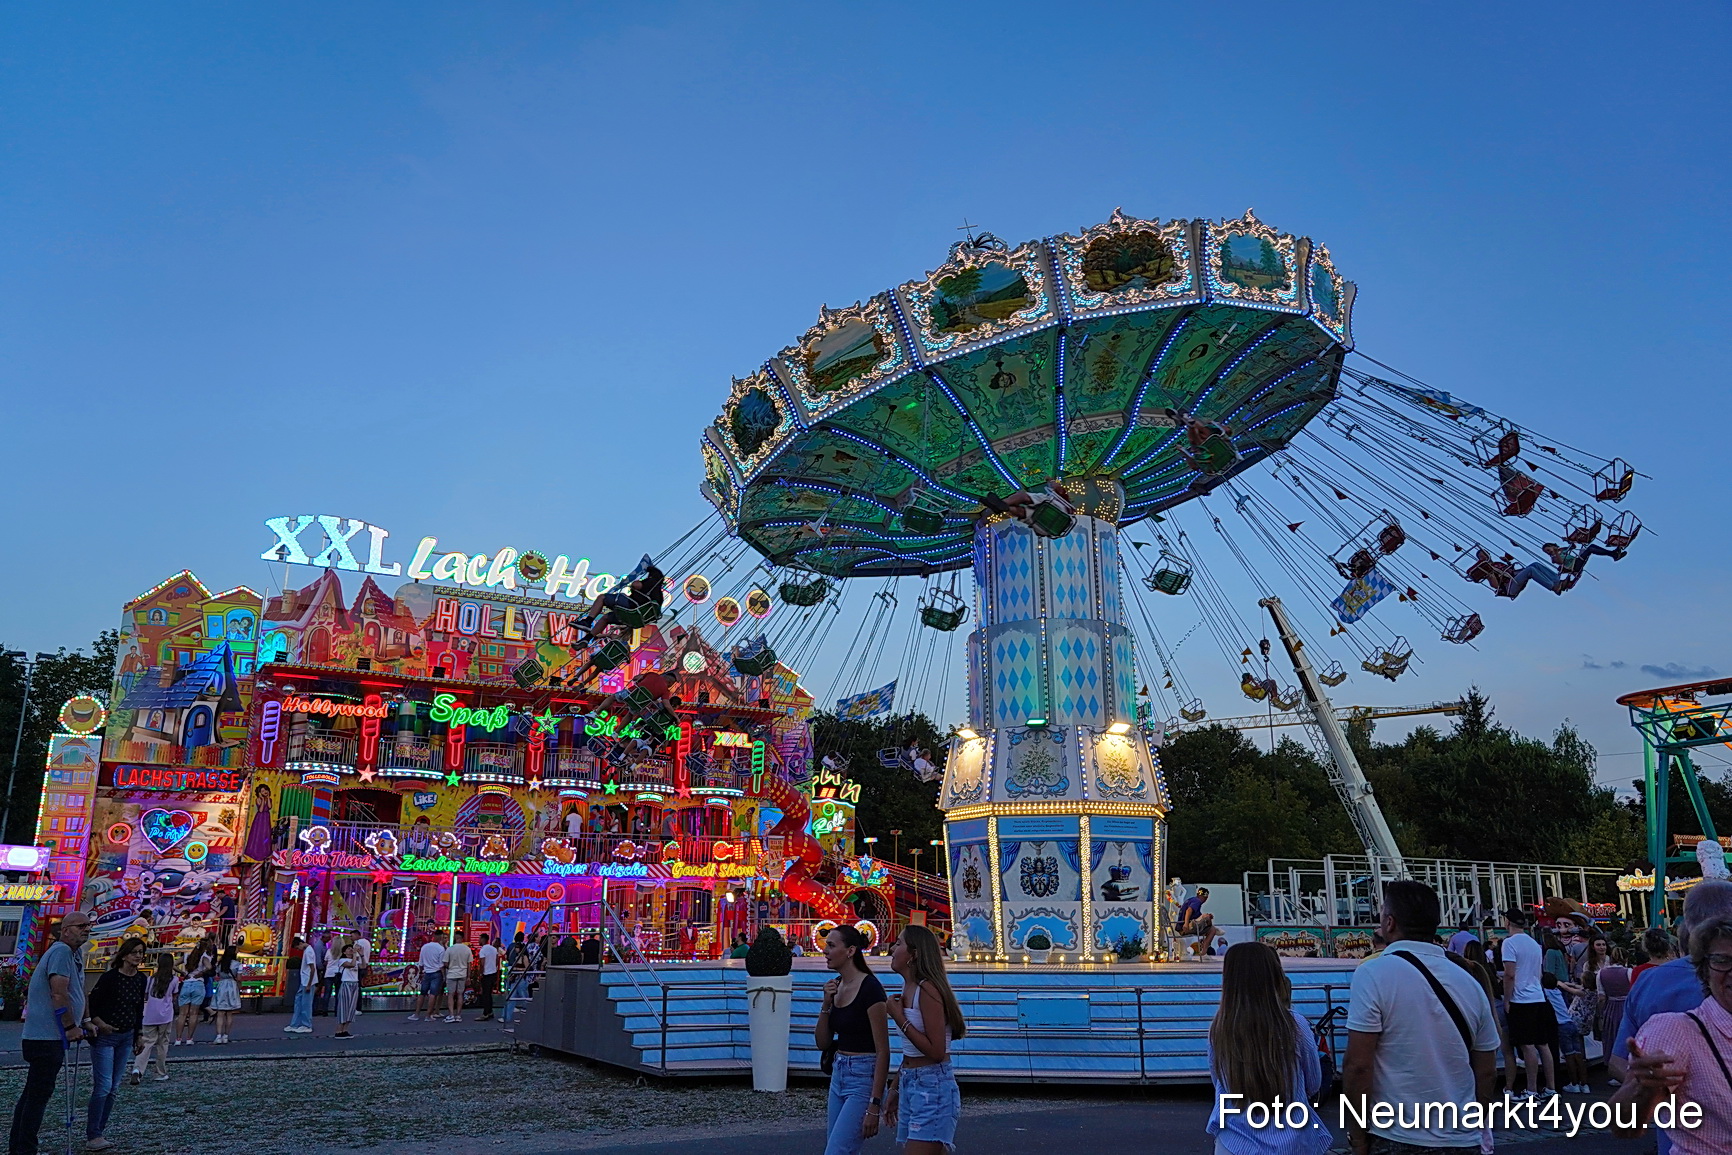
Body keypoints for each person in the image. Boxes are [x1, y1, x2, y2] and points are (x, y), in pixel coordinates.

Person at [1342, 881, 1499, 1155]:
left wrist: (1357, 1137)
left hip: (1397, 1134)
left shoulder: (1373, 973)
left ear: (1390, 922)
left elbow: (1358, 1065)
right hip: (1462, 1139)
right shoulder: (1469, 980)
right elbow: (1486, 1069)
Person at [1612, 880, 1732, 1155]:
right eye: (1722, 961)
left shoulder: (1649, 983)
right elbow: (1625, 1126)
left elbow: (1614, 1061)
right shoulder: (1677, 1029)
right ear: (1703, 969)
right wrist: (1641, 1087)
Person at [1204, 940, 1331, 1155]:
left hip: (1235, 1143)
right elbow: (1314, 1083)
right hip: (1294, 1141)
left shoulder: (1219, 1029)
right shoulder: (1295, 1025)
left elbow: (1219, 1082)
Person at [11, 913, 91, 1155]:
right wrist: (70, 1027)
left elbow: (78, 990)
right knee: (37, 1096)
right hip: (47, 1037)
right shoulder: (61, 952)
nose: (86, 929)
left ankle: (20, 1147)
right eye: (81, 926)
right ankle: (25, 1149)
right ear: (65, 930)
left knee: (33, 1093)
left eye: (88, 926)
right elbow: (58, 992)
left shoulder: (74, 954)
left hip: (47, 1037)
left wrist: (85, 1020)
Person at [883, 925, 966, 1155]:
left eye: (898, 943)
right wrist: (895, 1088)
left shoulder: (927, 990)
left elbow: (936, 1051)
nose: (892, 949)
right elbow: (911, 1052)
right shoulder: (908, 987)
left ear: (914, 954)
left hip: (932, 1085)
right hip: (912, 1081)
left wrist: (899, 1017)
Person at [814, 926, 890, 1155]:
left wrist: (875, 1104)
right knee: (839, 1148)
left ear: (850, 951)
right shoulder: (836, 986)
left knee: (837, 1151)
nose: (825, 951)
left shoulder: (870, 989)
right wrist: (826, 1004)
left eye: (831, 945)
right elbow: (822, 1043)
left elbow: (883, 1050)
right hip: (839, 1073)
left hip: (863, 1076)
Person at [81, 936, 147, 1151]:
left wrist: (139, 1034)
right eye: (134, 952)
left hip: (126, 1035)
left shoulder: (141, 979)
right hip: (106, 1035)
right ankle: (93, 1134)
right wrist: (100, 1023)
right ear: (124, 955)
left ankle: (99, 1131)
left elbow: (138, 1008)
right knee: (103, 1086)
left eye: (141, 952)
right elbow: (93, 1003)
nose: (138, 956)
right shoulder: (110, 978)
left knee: (114, 1088)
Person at [1498, 908, 1557, 1100]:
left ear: (1508, 922)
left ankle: (1531, 1090)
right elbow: (1538, 972)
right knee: (1543, 1045)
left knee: (1527, 1045)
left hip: (1521, 999)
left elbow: (1509, 974)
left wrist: (1507, 999)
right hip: (1538, 997)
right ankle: (1550, 1087)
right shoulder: (1534, 944)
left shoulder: (1509, 943)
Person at [131, 953, 178, 1084]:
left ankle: (137, 1069)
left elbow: (146, 995)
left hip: (150, 1015)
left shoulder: (151, 979)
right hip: (166, 1016)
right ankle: (161, 1072)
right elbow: (174, 996)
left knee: (146, 1043)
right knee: (162, 1044)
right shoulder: (174, 980)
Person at [175, 941, 213, 1045]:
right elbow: (209, 967)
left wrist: (182, 973)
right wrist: (201, 972)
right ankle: (189, 1038)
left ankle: (178, 1039)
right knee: (193, 1013)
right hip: (198, 984)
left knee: (182, 1014)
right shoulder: (204, 957)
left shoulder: (187, 956)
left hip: (186, 983)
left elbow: (174, 965)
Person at [410, 934, 446, 1022]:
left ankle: (416, 1014)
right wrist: (444, 976)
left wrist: (421, 972)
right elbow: (441, 965)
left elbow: (421, 963)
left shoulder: (425, 947)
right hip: (436, 973)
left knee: (422, 993)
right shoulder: (441, 949)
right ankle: (428, 1015)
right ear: (440, 938)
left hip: (426, 972)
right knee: (433, 994)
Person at [284, 935, 316, 1034]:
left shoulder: (308, 952)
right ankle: (296, 1024)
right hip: (305, 981)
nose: (298, 949)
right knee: (300, 1003)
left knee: (305, 1004)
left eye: (298, 947)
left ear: (301, 944)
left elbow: (312, 969)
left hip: (307, 981)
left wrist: (309, 984)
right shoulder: (308, 951)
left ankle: (306, 1025)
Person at [210, 945, 241, 1044]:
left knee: (220, 1013)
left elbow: (217, 974)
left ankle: (218, 1036)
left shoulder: (220, 964)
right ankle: (226, 1036)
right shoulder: (237, 964)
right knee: (229, 1013)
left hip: (222, 985)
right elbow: (239, 978)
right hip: (232, 986)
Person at [443, 932, 473, 1023]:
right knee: (460, 994)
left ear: (455, 938)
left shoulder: (450, 949)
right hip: (463, 974)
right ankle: (458, 1015)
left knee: (451, 995)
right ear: (462, 938)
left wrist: (450, 967)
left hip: (452, 974)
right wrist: (468, 976)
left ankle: (451, 1015)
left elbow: (445, 963)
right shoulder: (467, 949)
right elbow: (469, 964)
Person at [334, 944, 361, 1038]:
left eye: (351, 948)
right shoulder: (342, 960)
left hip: (355, 983)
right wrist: (355, 954)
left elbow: (364, 965)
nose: (350, 950)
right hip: (346, 983)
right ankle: (339, 1030)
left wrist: (362, 955)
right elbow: (351, 965)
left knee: (351, 1007)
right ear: (344, 952)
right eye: (348, 949)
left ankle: (345, 1029)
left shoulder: (355, 960)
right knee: (344, 1006)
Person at [1179, 888, 1214, 959]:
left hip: (1180, 925)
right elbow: (1189, 910)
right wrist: (1186, 924)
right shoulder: (1197, 902)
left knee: (1210, 926)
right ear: (1205, 897)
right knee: (1212, 930)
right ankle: (1203, 953)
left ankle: (1203, 949)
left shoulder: (1192, 900)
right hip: (1185, 927)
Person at [476, 933, 500, 1021]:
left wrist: (480, 973)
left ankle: (485, 1013)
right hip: (493, 973)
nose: (478, 941)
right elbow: (497, 960)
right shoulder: (493, 949)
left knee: (485, 994)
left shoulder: (483, 950)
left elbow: (482, 963)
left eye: (479, 939)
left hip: (486, 974)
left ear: (483, 939)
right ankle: (490, 1011)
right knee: (489, 994)